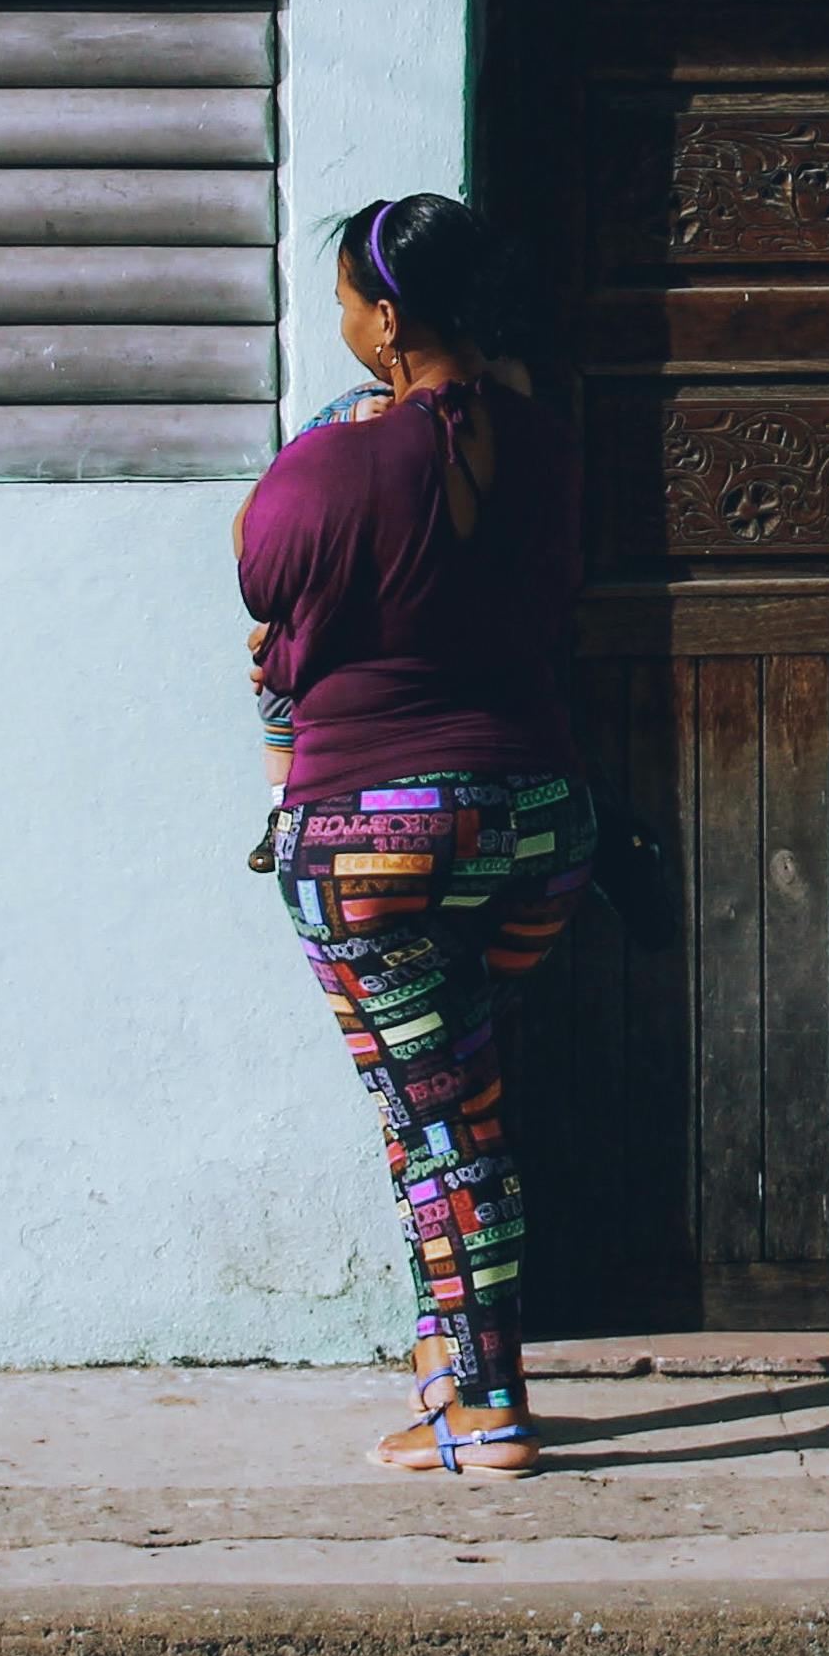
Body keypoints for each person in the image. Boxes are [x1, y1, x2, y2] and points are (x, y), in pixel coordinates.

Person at [233, 194, 592, 1476]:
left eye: (342, 302)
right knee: (433, 1087)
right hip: (539, 830)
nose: (338, 321)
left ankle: (487, 1405)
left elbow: (262, 583)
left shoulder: (330, 466)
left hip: (373, 841)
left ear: (387, 322)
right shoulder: (548, 445)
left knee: (446, 1120)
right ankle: (448, 1341)